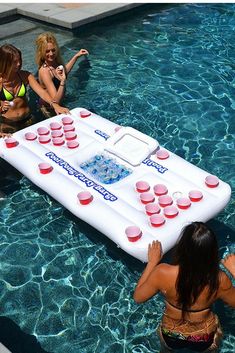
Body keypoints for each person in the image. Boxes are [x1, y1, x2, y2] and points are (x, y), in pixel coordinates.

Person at [133, 222, 235, 353]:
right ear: (212, 251)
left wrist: (152, 262)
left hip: (171, 334)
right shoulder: (219, 280)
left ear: (182, 247)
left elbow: (138, 297)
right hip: (202, 336)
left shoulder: (162, 272)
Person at [0, 44, 70, 138]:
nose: (19, 64)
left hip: (28, 120)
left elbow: (42, 92)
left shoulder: (25, 76)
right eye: (14, 62)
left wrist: (56, 106)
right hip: (8, 124)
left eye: (19, 60)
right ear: (5, 63)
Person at [35, 32, 89, 117]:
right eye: (47, 51)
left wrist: (76, 56)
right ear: (41, 52)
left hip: (60, 102)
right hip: (49, 108)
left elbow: (64, 72)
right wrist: (63, 81)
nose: (51, 54)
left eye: (53, 50)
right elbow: (55, 102)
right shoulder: (45, 71)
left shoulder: (54, 62)